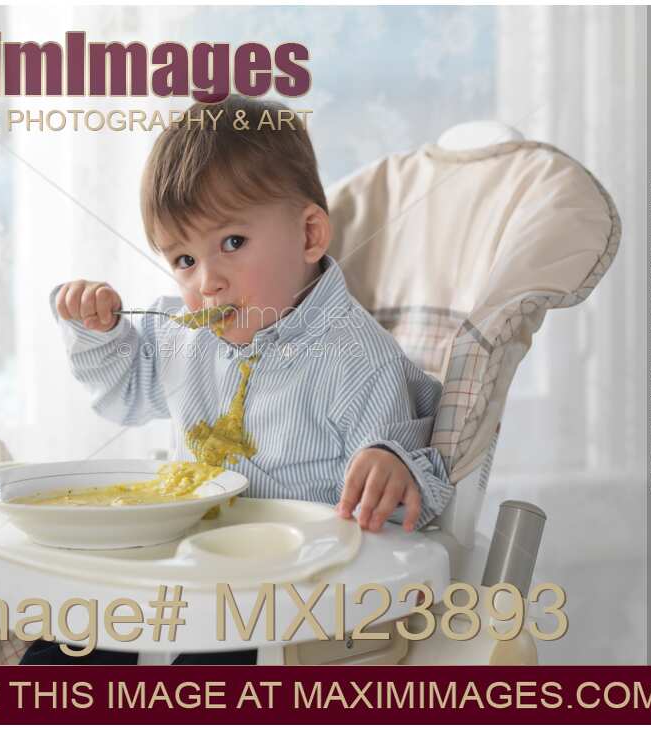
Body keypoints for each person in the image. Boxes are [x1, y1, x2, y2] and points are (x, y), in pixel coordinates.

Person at [34, 95, 454, 665]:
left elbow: (407, 493)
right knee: (71, 629)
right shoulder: (188, 334)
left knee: (216, 650)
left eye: (232, 243)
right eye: (184, 259)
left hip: (291, 593)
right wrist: (99, 335)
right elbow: (124, 395)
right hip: (187, 564)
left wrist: (392, 463)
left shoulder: (354, 358)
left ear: (309, 236)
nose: (208, 282)